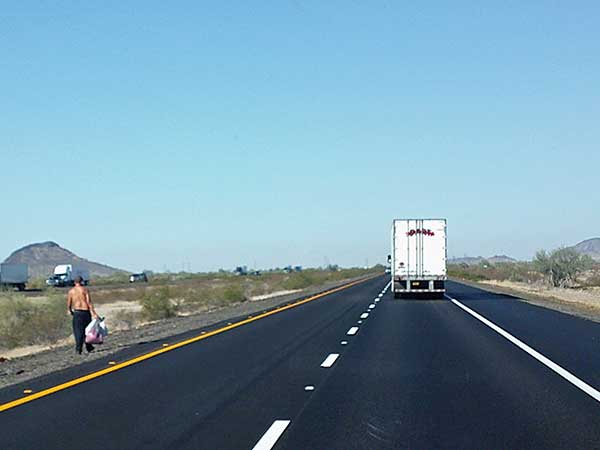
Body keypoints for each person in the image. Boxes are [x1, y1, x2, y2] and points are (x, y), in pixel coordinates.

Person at [67, 276, 99, 354]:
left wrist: (69, 310)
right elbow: (89, 302)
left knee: (78, 331)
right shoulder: (85, 290)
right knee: (88, 330)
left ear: (74, 282)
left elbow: (69, 302)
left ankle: (79, 349)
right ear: (81, 281)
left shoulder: (71, 291)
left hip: (77, 313)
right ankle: (89, 347)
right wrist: (93, 313)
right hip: (86, 312)